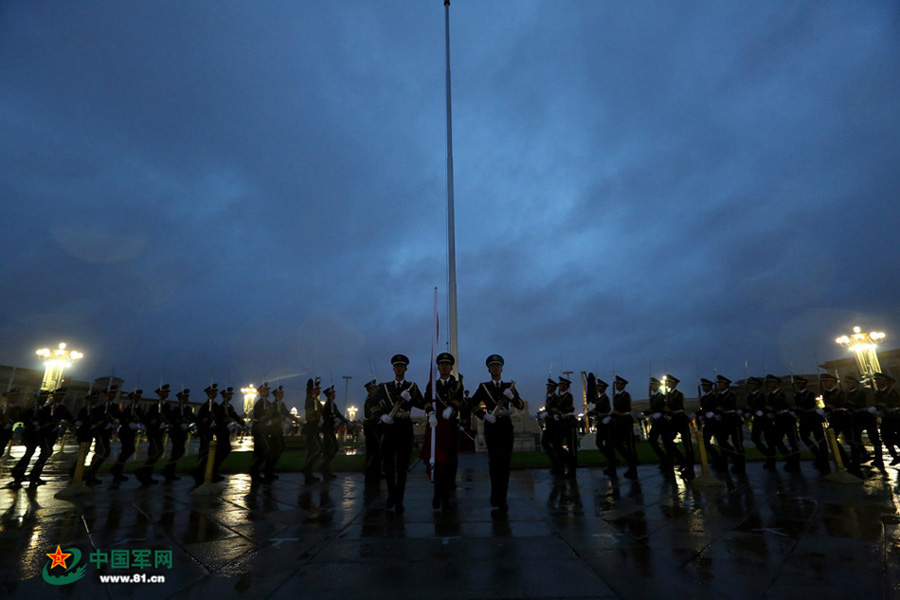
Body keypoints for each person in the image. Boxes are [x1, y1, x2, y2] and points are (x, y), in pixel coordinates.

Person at [471, 354, 524, 514]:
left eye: (498, 366)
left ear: (501, 368)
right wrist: (484, 415)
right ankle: (495, 495)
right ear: (488, 369)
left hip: (506, 426)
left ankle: (503, 498)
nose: (495, 368)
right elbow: (472, 404)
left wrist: (512, 397)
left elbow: (520, 405)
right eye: (492, 366)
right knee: (495, 463)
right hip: (491, 426)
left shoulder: (509, 387)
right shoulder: (484, 387)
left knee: (505, 464)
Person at [375, 354, 423, 513]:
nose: (399, 369)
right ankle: (391, 495)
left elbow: (423, 404)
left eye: (402, 366)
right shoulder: (384, 387)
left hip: (404, 427)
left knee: (402, 466)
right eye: (397, 366)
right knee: (388, 465)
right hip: (389, 427)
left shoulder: (412, 387)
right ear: (393, 368)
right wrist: (381, 416)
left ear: (406, 368)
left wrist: (410, 400)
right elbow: (372, 405)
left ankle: (399, 499)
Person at [424, 352, 464, 511]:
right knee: (437, 462)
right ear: (439, 367)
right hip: (436, 426)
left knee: (450, 462)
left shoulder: (456, 385)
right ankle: (437, 494)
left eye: (447, 364)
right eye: (442, 364)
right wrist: (430, 413)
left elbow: (458, 399)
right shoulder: (432, 385)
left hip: (450, 426)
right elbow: (426, 400)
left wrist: (451, 409)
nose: (445, 367)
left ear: (451, 367)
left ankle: (447, 496)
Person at [10, 391, 54, 487]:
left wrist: (41, 425)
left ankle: (22, 473)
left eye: (45, 398)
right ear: (37, 398)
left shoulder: (46, 409)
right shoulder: (31, 408)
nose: (44, 399)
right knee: (30, 453)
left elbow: (48, 420)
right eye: (42, 397)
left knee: (37, 452)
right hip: (30, 434)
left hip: (39, 434)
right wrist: (32, 423)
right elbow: (23, 419)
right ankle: (18, 472)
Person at [84, 385, 121, 485]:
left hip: (107, 432)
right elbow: (97, 419)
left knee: (100, 452)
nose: (112, 395)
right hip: (100, 431)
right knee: (104, 451)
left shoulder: (115, 406)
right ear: (106, 394)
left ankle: (91, 474)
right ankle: (90, 473)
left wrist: (116, 420)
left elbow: (117, 416)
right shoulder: (101, 407)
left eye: (114, 393)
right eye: (110, 393)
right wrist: (105, 423)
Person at [821, 373, 856, 475]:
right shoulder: (826, 394)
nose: (826, 383)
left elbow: (839, 403)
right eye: (824, 382)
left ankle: (855, 460)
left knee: (850, 439)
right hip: (834, 418)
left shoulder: (840, 393)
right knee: (832, 439)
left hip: (843, 417)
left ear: (833, 382)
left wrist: (828, 408)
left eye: (827, 381)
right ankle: (844, 460)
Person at [846, 375, 883, 473]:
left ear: (855, 383)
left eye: (850, 383)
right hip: (856, 418)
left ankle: (879, 459)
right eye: (847, 383)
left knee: (874, 439)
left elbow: (867, 403)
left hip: (867, 417)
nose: (848, 385)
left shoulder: (863, 392)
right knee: (855, 439)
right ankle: (860, 458)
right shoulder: (848, 394)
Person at [794, 376, 829, 474]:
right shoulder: (796, 395)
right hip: (804, 418)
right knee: (804, 437)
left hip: (813, 417)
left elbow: (809, 404)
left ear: (804, 384)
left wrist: (800, 408)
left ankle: (824, 460)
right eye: (797, 384)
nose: (798, 385)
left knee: (820, 439)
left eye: (800, 383)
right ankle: (818, 455)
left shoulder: (809, 393)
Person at [136, 384, 169, 485]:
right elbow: (150, 420)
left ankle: (146, 475)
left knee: (154, 453)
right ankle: (143, 471)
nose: (166, 394)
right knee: (158, 451)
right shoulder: (155, 406)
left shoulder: (166, 406)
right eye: (164, 392)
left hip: (160, 432)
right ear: (159, 393)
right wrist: (158, 420)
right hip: (153, 432)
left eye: (167, 392)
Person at [662, 375, 693, 480]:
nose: (668, 384)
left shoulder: (678, 394)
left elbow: (677, 406)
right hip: (674, 419)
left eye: (669, 382)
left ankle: (690, 468)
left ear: (674, 383)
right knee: (668, 442)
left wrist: (668, 409)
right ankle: (679, 461)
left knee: (687, 444)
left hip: (680, 419)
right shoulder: (668, 395)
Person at [767, 375, 800, 473]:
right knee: (777, 441)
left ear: (777, 384)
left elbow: (790, 404)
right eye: (769, 382)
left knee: (793, 442)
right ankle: (789, 459)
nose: (770, 384)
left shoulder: (784, 393)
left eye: (772, 382)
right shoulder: (770, 395)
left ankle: (796, 464)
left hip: (787, 418)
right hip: (778, 419)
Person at [112, 389, 145, 483]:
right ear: (131, 398)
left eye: (139, 397)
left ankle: (117, 468)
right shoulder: (128, 409)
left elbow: (141, 418)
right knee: (127, 450)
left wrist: (141, 425)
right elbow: (123, 419)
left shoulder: (138, 409)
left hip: (131, 432)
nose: (138, 398)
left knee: (129, 450)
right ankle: (117, 470)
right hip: (125, 431)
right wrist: (129, 423)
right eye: (135, 397)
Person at [715, 375, 745, 474]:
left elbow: (730, 405)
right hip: (724, 420)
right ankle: (727, 462)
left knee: (737, 443)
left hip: (733, 420)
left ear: (726, 385)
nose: (719, 385)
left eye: (721, 383)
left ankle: (740, 464)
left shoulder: (731, 395)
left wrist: (721, 408)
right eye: (718, 383)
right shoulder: (719, 395)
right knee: (722, 442)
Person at [746, 376, 776, 470]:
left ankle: (771, 461)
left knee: (769, 441)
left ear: (757, 385)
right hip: (757, 419)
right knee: (754, 438)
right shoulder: (750, 396)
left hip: (766, 419)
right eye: (749, 384)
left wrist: (764, 411)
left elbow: (770, 406)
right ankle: (768, 455)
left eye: (752, 384)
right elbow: (751, 408)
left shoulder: (763, 395)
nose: (750, 386)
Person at [162, 388, 193, 482]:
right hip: (176, 432)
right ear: (180, 398)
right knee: (177, 451)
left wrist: (188, 425)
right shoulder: (176, 409)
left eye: (187, 396)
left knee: (180, 451)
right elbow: (172, 420)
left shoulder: (187, 409)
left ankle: (169, 470)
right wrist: (179, 424)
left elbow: (191, 418)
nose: (186, 398)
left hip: (183, 432)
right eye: (184, 396)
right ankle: (168, 471)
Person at [611, 376, 638, 479]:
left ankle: (633, 467)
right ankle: (630, 461)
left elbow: (627, 407)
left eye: (618, 384)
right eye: (616, 384)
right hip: (619, 421)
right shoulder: (617, 396)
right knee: (617, 444)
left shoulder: (626, 395)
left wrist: (617, 412)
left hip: (626, 420)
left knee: (630, 444)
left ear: (622, 385)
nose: (617, 386)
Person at [588, 376, 616, 476]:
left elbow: (599, 408)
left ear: (603, 388)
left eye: (599, 386)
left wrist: (592, 412)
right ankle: (611, 461)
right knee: (599, 443)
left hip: (606, 423)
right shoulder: (600, 398)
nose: (597, 388)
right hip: (601, 422)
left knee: (608, 444)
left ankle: (612, 465)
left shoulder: (604, 398)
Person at [319, 385, 348, 480]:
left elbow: (338, 414)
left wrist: (347, 421)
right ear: (329, 395)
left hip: (330, 429)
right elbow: (326, 416)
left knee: (328, 449)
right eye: (332, 393)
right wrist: (334, 419)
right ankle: (323, 466)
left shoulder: (332, 404)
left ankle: (326, 471)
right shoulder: (328, 405)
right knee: (334, 447)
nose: (334, 394)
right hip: (328, 429)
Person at [300, 378, 323, 485]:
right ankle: (306, 469)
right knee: (317, 449)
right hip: (311, 428)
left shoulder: (315, 401)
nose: (319, 391)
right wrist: (316, 419)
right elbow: (310, 415)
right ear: (313, 390)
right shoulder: (311, 400)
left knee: (312, 450)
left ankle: (308, 473)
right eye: (317, 389)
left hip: (313, 428)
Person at [874, 373, 900, 465]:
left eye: (879, 380)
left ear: (885, 381)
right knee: (885, 437)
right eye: (876, 380)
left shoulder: (893, 391)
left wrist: (880, 407)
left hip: (896, 418)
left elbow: (893, 403)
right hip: (886, 418)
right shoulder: (877, 393)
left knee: (897, 438)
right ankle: (895, 457)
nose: (877, 382)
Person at [249, 382, 273, 483]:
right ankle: (253, 469)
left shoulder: (267, 403)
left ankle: (256, 472)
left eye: (267, 390)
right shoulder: (259, 403)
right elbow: (259, 417)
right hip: (259, 428)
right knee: (266, 449)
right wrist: (266, 416)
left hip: (264, 429)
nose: (268, 392)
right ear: (261, 392)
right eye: (265, 390)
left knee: (259, 450)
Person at [538, 378, 561, 475]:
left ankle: (558, 465)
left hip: (554, 424)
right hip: (549, 424)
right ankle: (556, 464)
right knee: (547, 444)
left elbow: (557, 409)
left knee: (550, 444)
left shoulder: (556, 398)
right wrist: (540, 414)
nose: (547, 388)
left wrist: (548, 413)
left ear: (553, 388)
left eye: (549, 387)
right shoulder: (549, 398)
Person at [645, 377, 669, 470]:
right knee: (652, 440)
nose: (651, 386)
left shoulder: (662, 396)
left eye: (653, 384)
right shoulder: (653, 397)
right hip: (656, 421)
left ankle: (667, 461)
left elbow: (665, 408)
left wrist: (659, 413)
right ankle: (664, 459)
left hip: (662, 421)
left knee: (666, 442)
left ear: (658, 386)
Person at [362, 379, 383, 484]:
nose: (376, 389)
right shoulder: (370, 400)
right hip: (371, 429)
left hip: (376, 428)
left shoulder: (376, 400)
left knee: (378, 451)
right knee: (372, 452)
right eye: (374, 388)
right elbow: (370, 414)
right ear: (370, 389)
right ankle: (369, 472)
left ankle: (377, 472)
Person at [0, 389, 23, 460]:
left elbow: (18, 419)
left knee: (1, 450)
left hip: (6, 433)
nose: (15, 398)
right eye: (13, 396)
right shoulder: (2, 407)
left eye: (16, 396)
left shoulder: (17, 408)